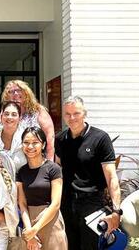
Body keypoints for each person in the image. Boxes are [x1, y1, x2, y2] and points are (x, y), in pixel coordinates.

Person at [55, 96, 121, 250]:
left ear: (85, 113)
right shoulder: (60, 139)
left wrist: (116, 210)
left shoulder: (100, 138)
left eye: (76, 113)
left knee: (90, 247)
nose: (72, 118)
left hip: (92, 204)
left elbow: (111, 178)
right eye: (68, 114)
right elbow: (57, 173)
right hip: (66, 204)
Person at [16, 127, 67, 250]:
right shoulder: (21, 172)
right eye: (26, 143)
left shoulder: (54, 169)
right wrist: (29, 231)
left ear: (43, 144)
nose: (30, 146)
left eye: (35, 142)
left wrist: (36, 228)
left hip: (50, 221)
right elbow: (22, 204)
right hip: (29, 222)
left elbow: (56, 204)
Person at [1, 80, 55, 160]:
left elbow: (50, 140)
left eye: (19, 90)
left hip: (35, 163)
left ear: (26, 92)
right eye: (11, 92)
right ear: (6, 96)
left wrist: (49, 164)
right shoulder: (5, 112)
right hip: (11, 162)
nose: (15, 94)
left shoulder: (38, 111)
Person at [0, 101, 26, 175]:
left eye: (14, 114)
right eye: (6, 114)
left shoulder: (26, 138)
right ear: (1, 117)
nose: (9, 117)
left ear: (19, 118)